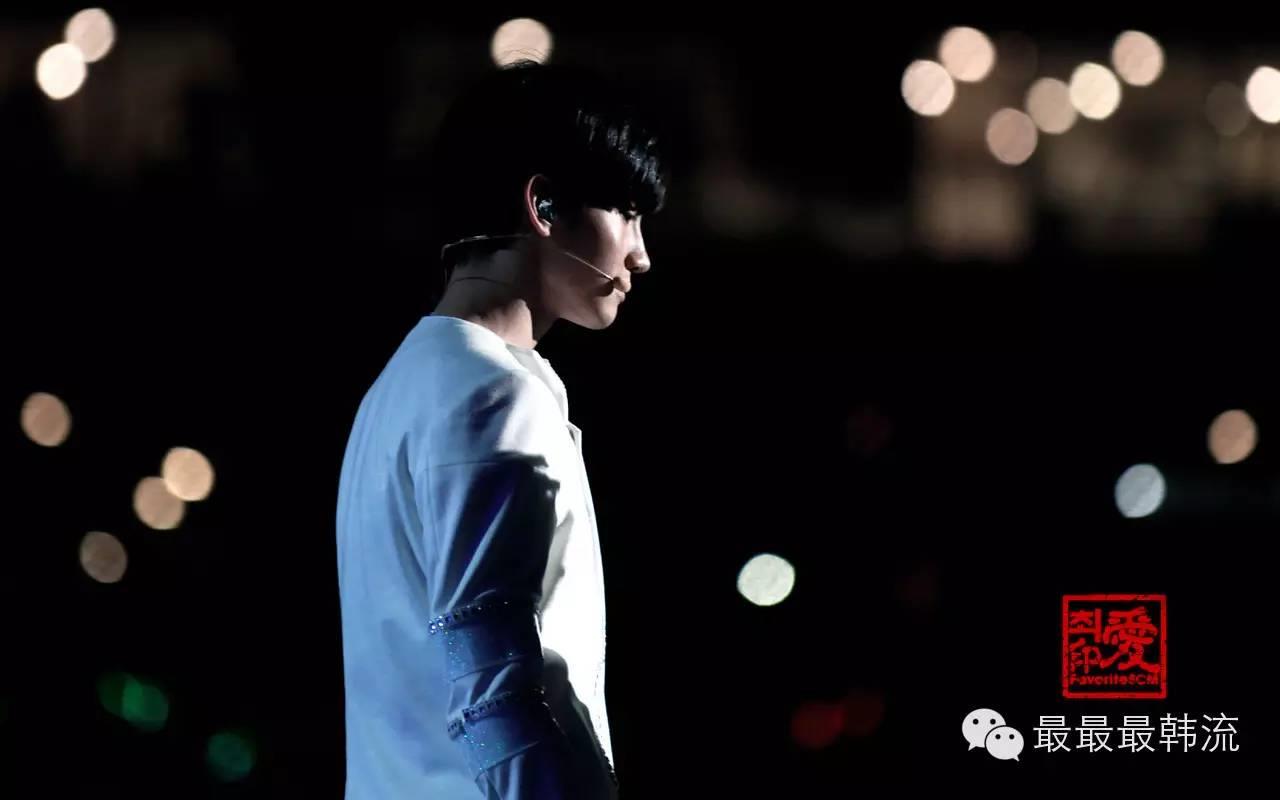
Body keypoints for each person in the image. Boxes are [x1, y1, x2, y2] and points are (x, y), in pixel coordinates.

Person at [336, 59, 668, 799]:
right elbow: (499, 698)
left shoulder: (396, 388)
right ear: (543, 205)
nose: (641, 255)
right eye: (627, 212)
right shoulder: (492, 396)